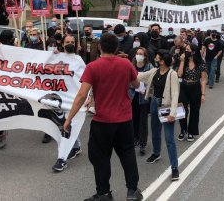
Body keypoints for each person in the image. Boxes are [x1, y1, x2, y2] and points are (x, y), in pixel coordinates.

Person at [63, 33, 143, 201]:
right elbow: (136, 85)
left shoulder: (93, 66)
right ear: (116, 48)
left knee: (100, 158)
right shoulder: (126, 64)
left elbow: (81, 95)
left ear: (99, 47)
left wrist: (69, 118)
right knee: (127, 154)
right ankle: (132, 191)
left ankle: (104, 193)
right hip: (124, 120)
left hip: (103, 121)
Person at [137, 53, 180, 181]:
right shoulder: (154, 71)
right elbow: (140, 76)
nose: (155, 59)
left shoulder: (172, 74)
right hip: (154, 103)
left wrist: (172, 113)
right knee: (155, 131)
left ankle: (174, 167)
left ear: (162, 61)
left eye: (157, 57)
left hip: (166, 105)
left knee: (169, 138)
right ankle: (156, 153)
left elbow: (175, 94)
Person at [51, 34, 83, 172]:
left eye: (72, 42)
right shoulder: (56, 57)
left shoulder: (79, 60)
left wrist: (87, 96)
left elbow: (85, 79)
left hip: (74, 100)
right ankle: (75, 146)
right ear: (62, 44)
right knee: (63, 125)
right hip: (59, 99)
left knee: (67, 127)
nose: (70, 43)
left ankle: (61, 159)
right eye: (67, 42)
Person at [177, 44, 207, 142]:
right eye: (185, 49)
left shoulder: (201, 63)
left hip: (195, 87)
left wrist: (203, 94)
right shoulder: (184, 61)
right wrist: (181, 61)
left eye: (188, 49)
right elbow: (179, 74)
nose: (186, 51)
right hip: (184, 86)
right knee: (182, 109)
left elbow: (203, 80)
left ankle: (191, 132)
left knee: (195, 111)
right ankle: (183, 130)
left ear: (193, 51)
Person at [130, 47, 153, 155]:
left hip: (144, 98)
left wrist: (145, 88)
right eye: (137, 53)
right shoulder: (131, 66)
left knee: (143, 121)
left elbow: (152, 81)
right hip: (132, 97)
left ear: (145, 56)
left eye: (141, 54)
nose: (139, 55)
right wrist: (134, 86)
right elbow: (126, 80)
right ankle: (135, 138)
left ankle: (143, 143)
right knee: (134, 119)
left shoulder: (149, 67)